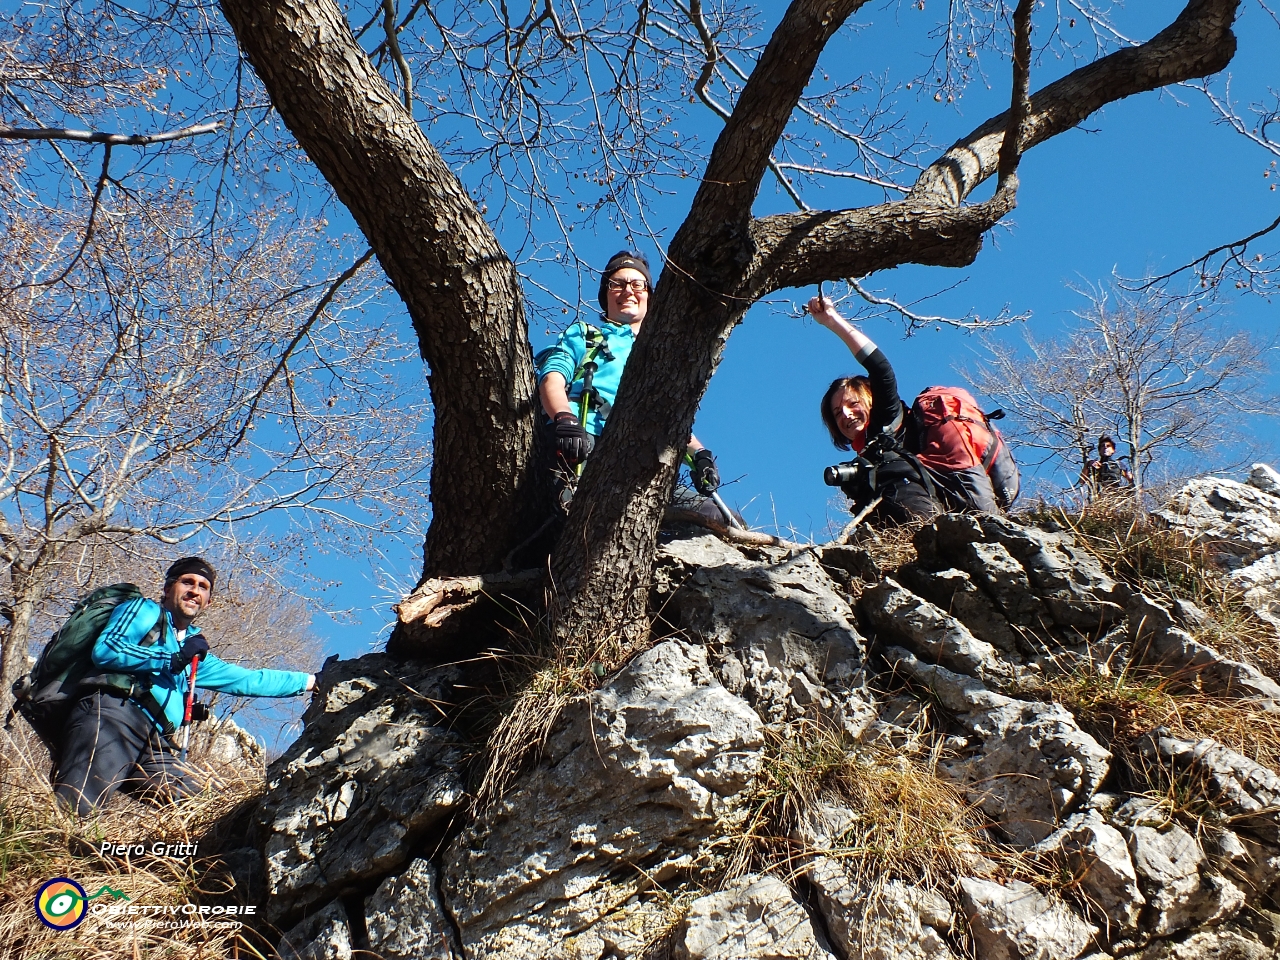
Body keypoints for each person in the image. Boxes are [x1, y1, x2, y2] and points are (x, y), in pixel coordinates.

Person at [53, 557, 316, 816]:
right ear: (168, 589)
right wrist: (173, 659)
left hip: (155, 744)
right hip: (112, 717)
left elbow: (246, 680)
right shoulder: (143, 610)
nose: (194, 590)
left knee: (208, 810)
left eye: (203, 586)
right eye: (187, 582)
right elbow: (107, 650)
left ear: (208, 601)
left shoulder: (191, 650)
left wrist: (310, 682)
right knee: (74, 809)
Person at [536, 250, 720, 504]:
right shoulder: (586, 336)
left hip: (641, 458)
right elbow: (552, 379)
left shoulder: (662, 358)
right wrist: (565, 419)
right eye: (617, 284)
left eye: (637, 284)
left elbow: (669, 417)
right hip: (581, 442)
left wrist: (699, 454)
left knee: (714, 514)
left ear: (648, 295)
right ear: (605, 295)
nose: (628, 291)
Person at [811, 296, 1002, 524]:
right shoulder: (871, 450)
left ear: (871, 401)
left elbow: (880, 369)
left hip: (943, 505)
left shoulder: (886, 419)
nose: (846, 414)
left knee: (890, 474)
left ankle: (929, 536)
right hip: (944, 506)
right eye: (837, 413)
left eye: (853, 404)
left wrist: (832, 320)